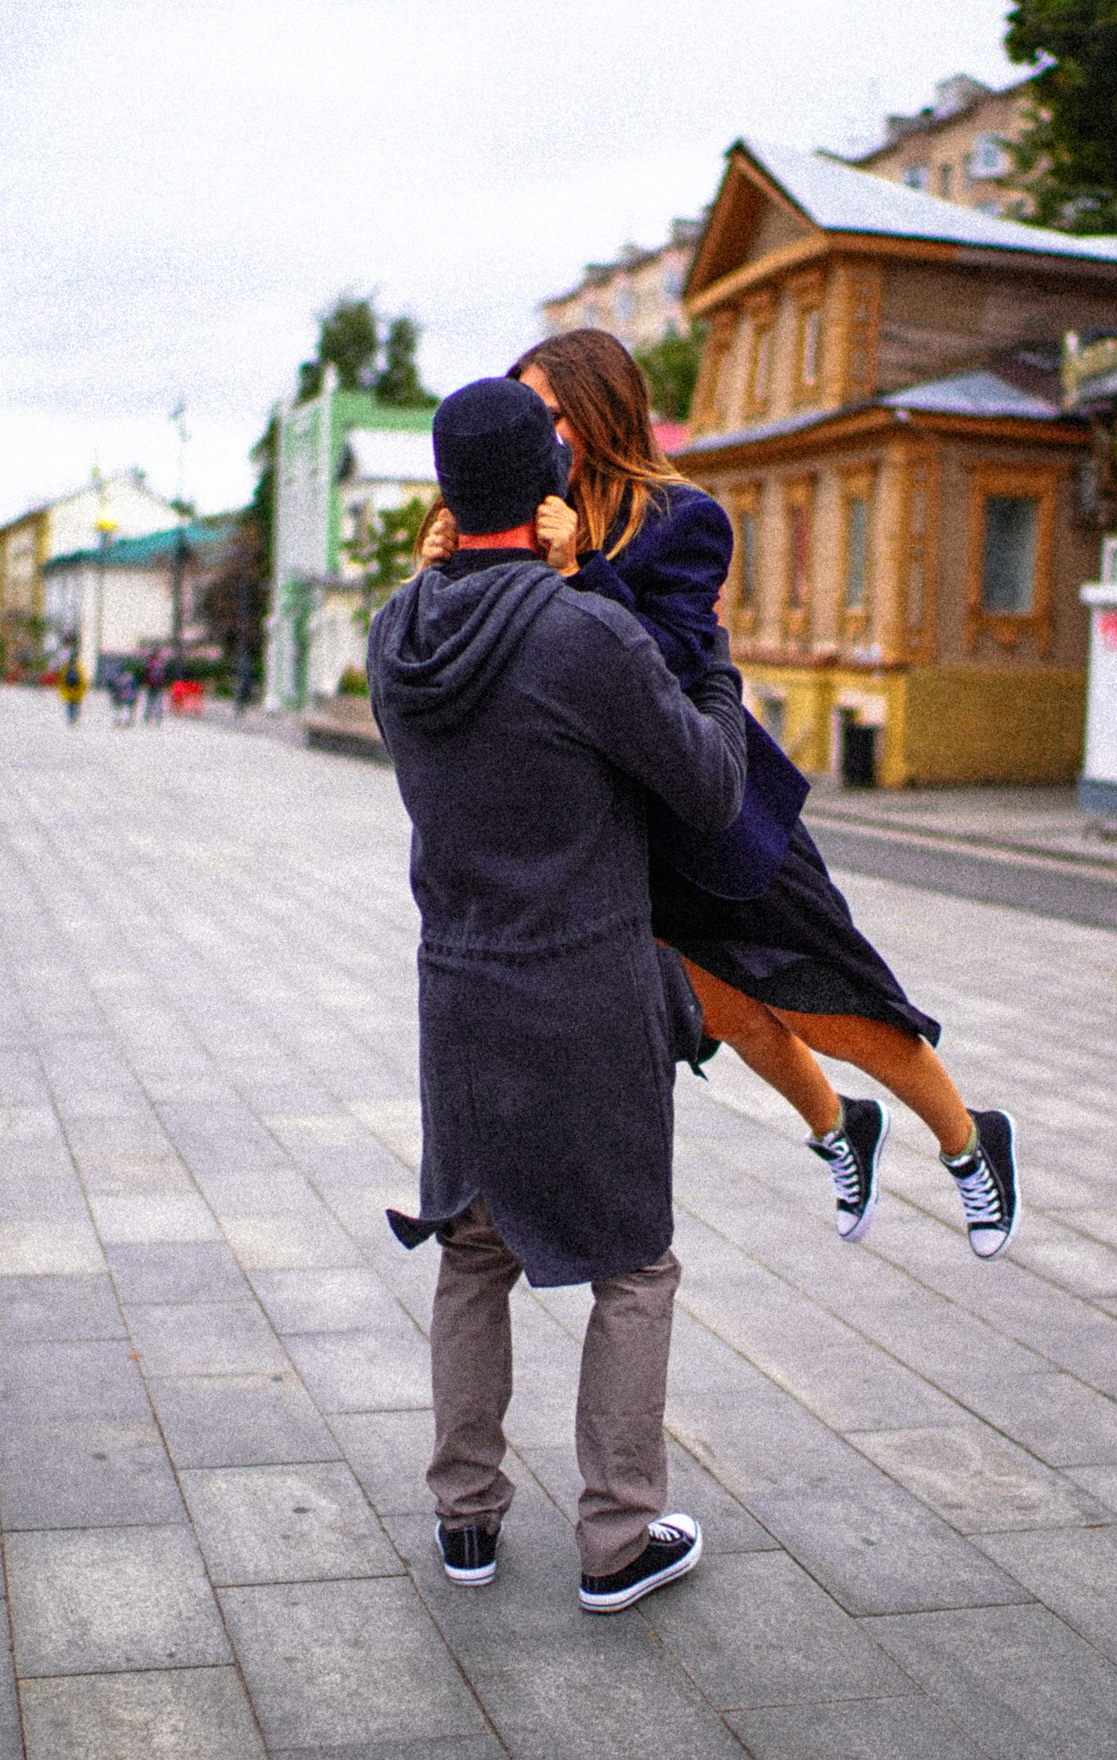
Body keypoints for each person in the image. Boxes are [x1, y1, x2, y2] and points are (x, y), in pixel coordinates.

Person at [425, 329, 1019, 1259]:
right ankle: (841, 1130)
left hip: (721, 809)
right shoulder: (532, 514)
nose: (541, 433)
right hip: (629, 834)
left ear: (599, 409)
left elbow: (676, 667)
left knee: (836, 1007)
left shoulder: (682, 517)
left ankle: (972, 1143)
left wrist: (583, 568)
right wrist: (451, 563)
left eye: (550, 412)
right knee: (729, 1013)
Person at [371, 378, 746, 1615]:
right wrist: (715, 673)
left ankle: (465, 1518)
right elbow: (701, 783)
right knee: (632, 1263)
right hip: (584, 987)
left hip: (460, 992)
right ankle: (617, 1535)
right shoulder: (581, 632)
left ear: (442, 494)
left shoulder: (395, 634)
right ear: (547, 491)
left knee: (473, 1255)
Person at [57, 652, 88, 725]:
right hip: (78, 690)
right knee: (76, 705)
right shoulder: (80, 668)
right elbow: (84, 679)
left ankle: (71, 718)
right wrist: (84, 689)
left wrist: (62, 689)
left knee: (70, 705)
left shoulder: (65, 667)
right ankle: (75, 718)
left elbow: (61, 679)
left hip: (68, 690)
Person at [143, 649, 169, 723]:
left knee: (149, 702)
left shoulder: (150, 663)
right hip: (159, 685)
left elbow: (146, 673)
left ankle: (147, 718)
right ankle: (158, 718)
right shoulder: (161, 664)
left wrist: (146, 682)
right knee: (158, 702)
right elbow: (164, 674)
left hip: (151, 684)